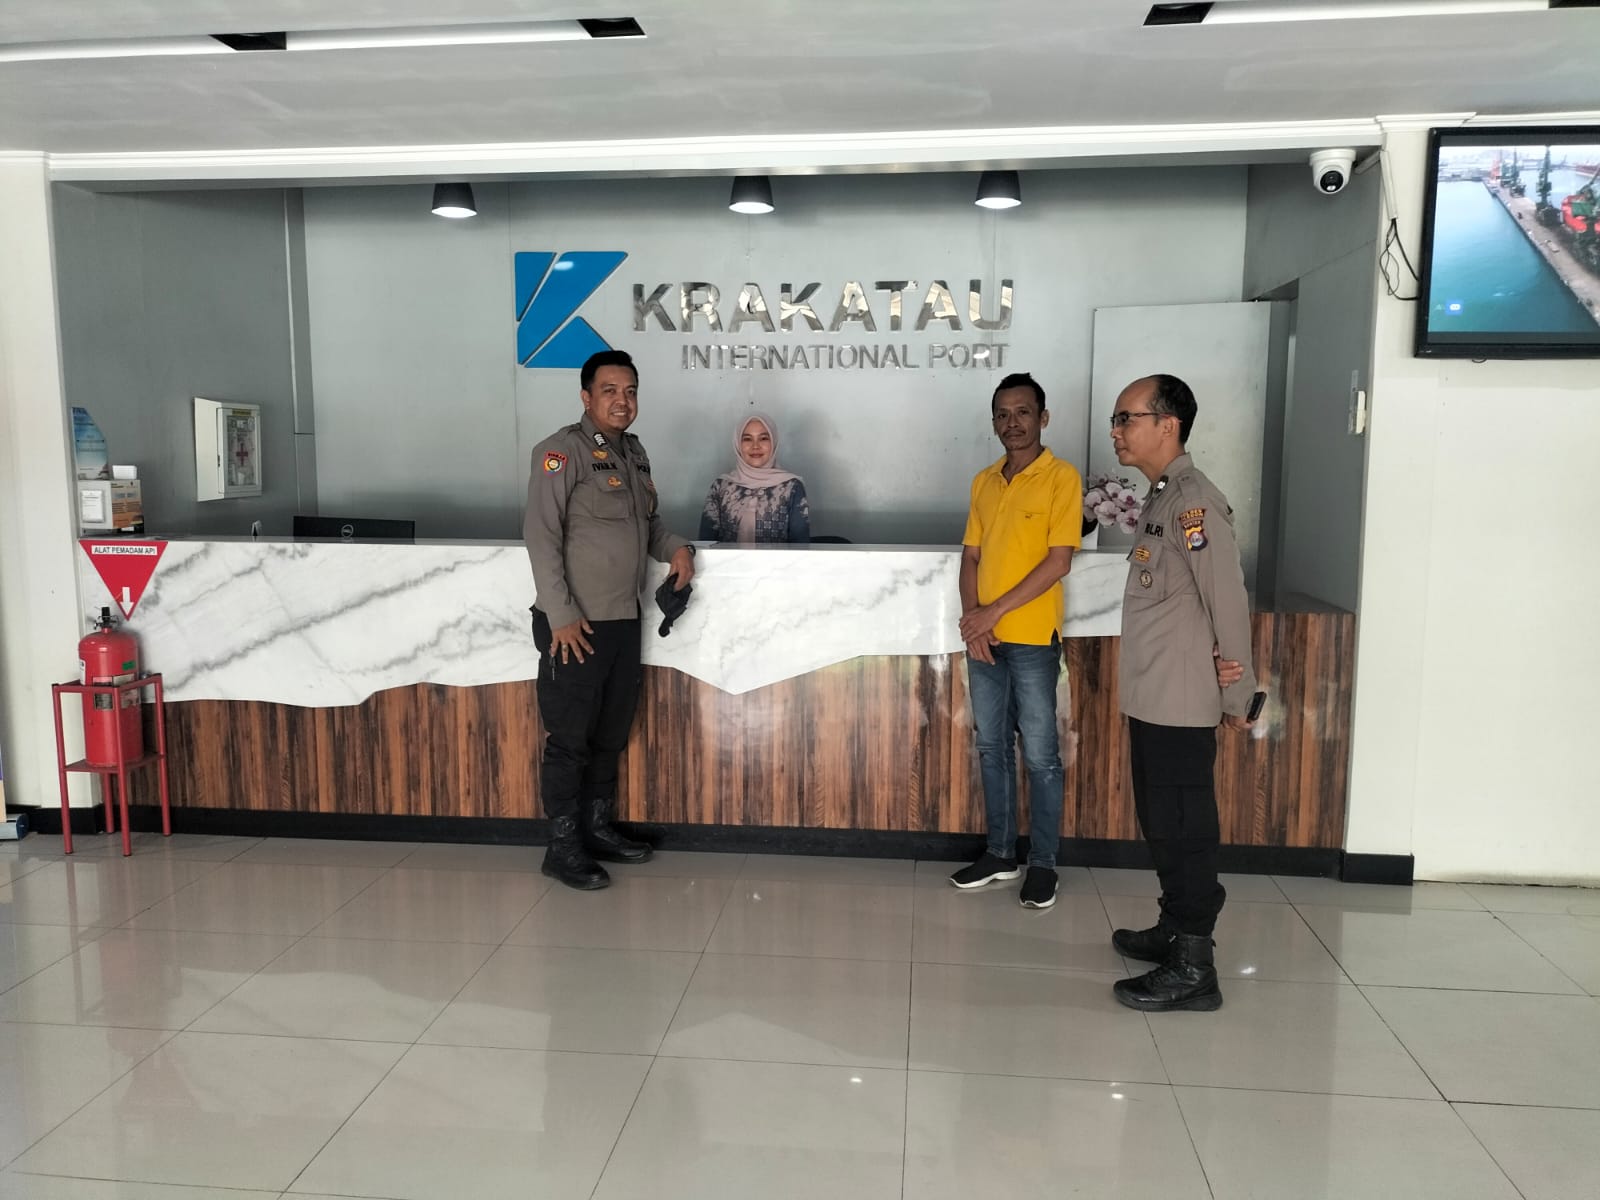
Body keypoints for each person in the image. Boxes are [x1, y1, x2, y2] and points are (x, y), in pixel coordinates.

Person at [1106, 373, 1259, 1012]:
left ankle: (1195, 963)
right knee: (1161, 821)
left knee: (1184, 826)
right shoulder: (1163, 497)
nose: (1116, 431)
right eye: (1116, 420)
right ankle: (1174, 928)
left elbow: (1227, 599)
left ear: (1167, 425)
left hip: (1181, 698)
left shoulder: (1194, 503)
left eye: (1127, 418)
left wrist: (1240, 694)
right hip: (1154, 694)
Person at [523, 349, 695, 890]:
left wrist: (678, 549)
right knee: (570, 738)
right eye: (610, 391)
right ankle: (563, 846)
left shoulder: (634, 455)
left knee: (609, 735)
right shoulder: (560, 452)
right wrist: (560, 615)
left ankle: (596, 829)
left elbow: (649, 525)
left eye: (630, 391)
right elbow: (541, 536)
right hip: (575, 626)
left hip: (623, 620)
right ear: (586, 396)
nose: (622, 401)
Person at [950, 373, 1082, 910]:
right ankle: (1001, 854)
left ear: (1042, 418)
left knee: (1041, 755)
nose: (1013, 423)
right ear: (994, 422)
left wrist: (992, 614)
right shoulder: (984, 481)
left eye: (1023, 412)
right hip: (985, 639)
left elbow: (1058, 562)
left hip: (1031, 638)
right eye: (1003, 414)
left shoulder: (1061, 478)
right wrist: (973, 620)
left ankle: (1043, 864)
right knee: (991, 747)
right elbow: (970, 557)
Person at [698, 413, 811, 543]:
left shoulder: (792, 487)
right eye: (747, 439)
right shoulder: (721, 486)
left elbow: (800, 547)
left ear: (773, 442)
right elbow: (706, 544)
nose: (755, 446)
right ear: (738, 444)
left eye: (763, 438)